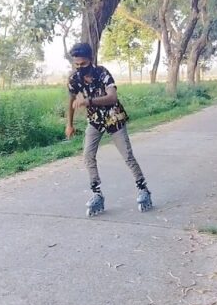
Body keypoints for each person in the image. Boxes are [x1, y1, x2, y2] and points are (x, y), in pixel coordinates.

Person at [65, 42, 153, 217]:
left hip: (114, 116)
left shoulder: (102, 73)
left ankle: (143, 189)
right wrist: (70, 124)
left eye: (83, 64)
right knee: (88, 156)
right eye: (76, 64)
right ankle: (96, 193)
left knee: (127, 155)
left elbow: (112, 97)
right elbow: (71, 100)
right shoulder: (74, 78)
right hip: (95, 120)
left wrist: (88, 101)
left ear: (90, 60)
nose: (79, 67)